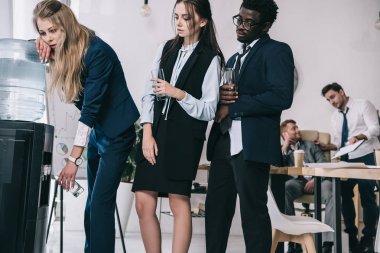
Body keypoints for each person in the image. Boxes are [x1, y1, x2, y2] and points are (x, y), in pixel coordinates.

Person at [33, 1, 140, 252]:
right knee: (91, 201)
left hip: (117, 134)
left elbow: (90, 110)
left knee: (102, 201)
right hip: (98, 133)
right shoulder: (64, 47)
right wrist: (36, 42)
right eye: (43, 32)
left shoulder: (96, 52)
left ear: (66, 26)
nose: (48, 38)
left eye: (53, 31)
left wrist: (73, 159)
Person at [131, 0, 224, 252]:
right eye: (177, 16)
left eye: (186, 17)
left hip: (185, 138)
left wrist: (178, 93)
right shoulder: (165, 48)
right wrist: (147, 131)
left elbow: (209, 110)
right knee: (143, 203)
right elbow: (147, 93)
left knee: (178, 201)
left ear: (203, 21)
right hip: (156, 132)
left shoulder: (211, 59)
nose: (179, 23)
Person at [206, 0, 294, 252]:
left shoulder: (277, 51)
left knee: (252, 212)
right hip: (223, 140)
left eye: (249, 22)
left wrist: (233, 106)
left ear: (265, 26)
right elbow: (227, 97)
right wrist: (221, 100)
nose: (241, 26)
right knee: (216, 212)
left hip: (251, 144)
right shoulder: (233, 57)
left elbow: (281, 97)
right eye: (239, 19)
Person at [321, 82, 380, 253]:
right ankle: (352, 236)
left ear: (341, 92)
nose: (331, 101)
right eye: (328, 100)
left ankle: (368, 238)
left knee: (366, 195)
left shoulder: (363, 105)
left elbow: (375, 128)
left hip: (365, 155)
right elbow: (340, 143)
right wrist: (328, 147)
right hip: (346, 158)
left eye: (332, 97)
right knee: (343, 194)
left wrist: (359, 136)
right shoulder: (335, 116)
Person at [280, 119, 334, 253]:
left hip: (318, 182)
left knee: (332, 192)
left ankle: (328, 243)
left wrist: (316, 180)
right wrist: (285, 146)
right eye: (293, 128)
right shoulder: (282, 150)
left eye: (297, 127)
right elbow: (279, 168)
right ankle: (294, 241)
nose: (297, 130)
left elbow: (324, 164)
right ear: (285, 134)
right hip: (297, 183)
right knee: (285, 188)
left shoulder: (310, 145)